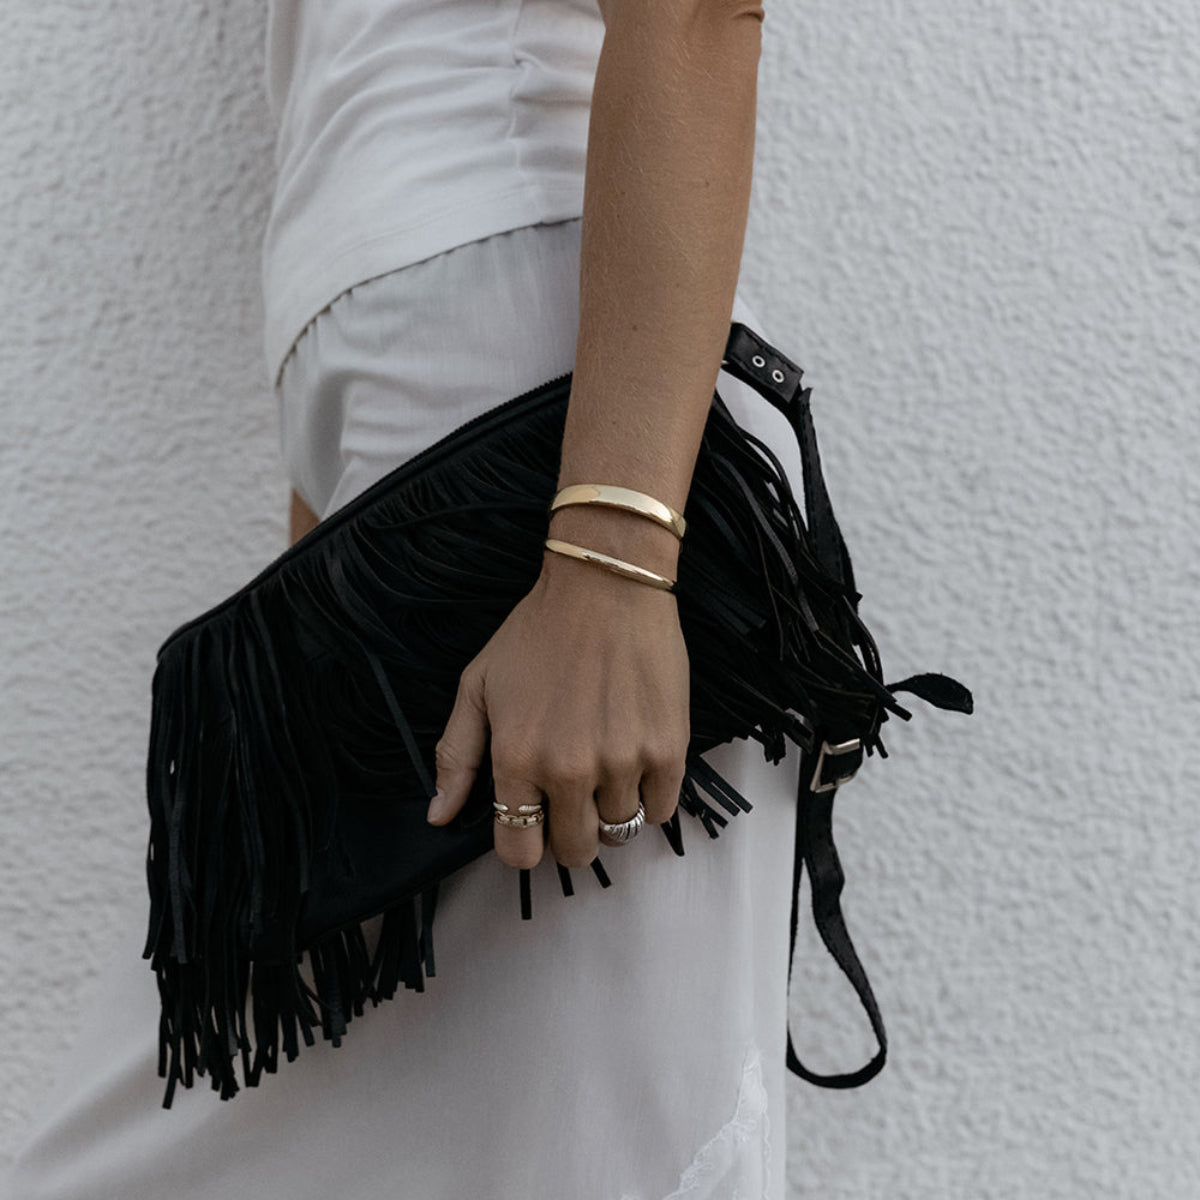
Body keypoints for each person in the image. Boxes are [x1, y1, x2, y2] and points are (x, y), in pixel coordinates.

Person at [5, 1, 808, 1196]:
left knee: (603, 1152)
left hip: (542, 430)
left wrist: (610, 563)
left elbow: (691, 13)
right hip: (424, 437)